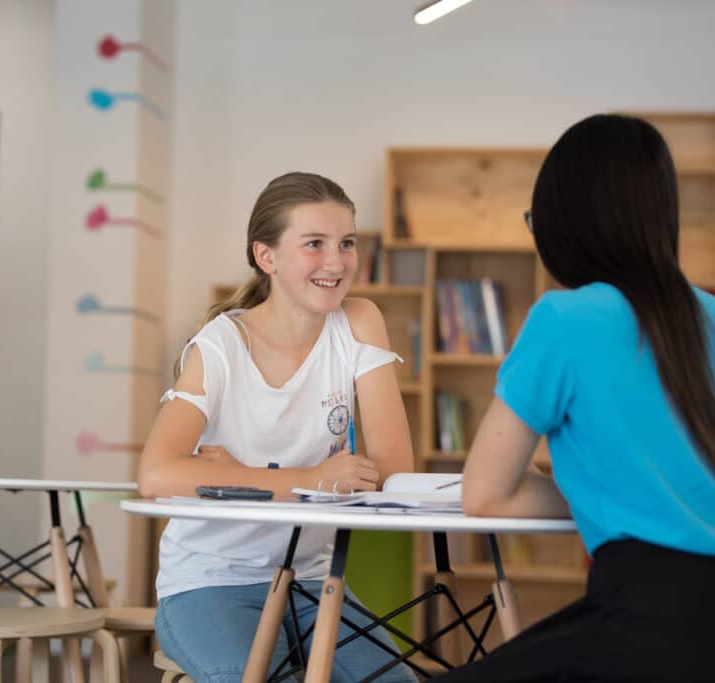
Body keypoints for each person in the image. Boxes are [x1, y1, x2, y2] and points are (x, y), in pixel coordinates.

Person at [434, 114, 715, 682]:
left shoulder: (565, 319)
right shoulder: (710, 314)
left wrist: (601, 493)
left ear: (568, 224)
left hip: (646, 622)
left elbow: (484, 495)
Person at [138, 171, 418, 682]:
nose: (336, 262)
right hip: (209, 583)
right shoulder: (219, 345)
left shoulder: (358, 322)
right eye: (314, 244)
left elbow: (394, 469)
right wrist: (309, 480)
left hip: (314, 581)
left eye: (346, 243)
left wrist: (242, 476)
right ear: (266, 257)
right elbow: (157, 475)